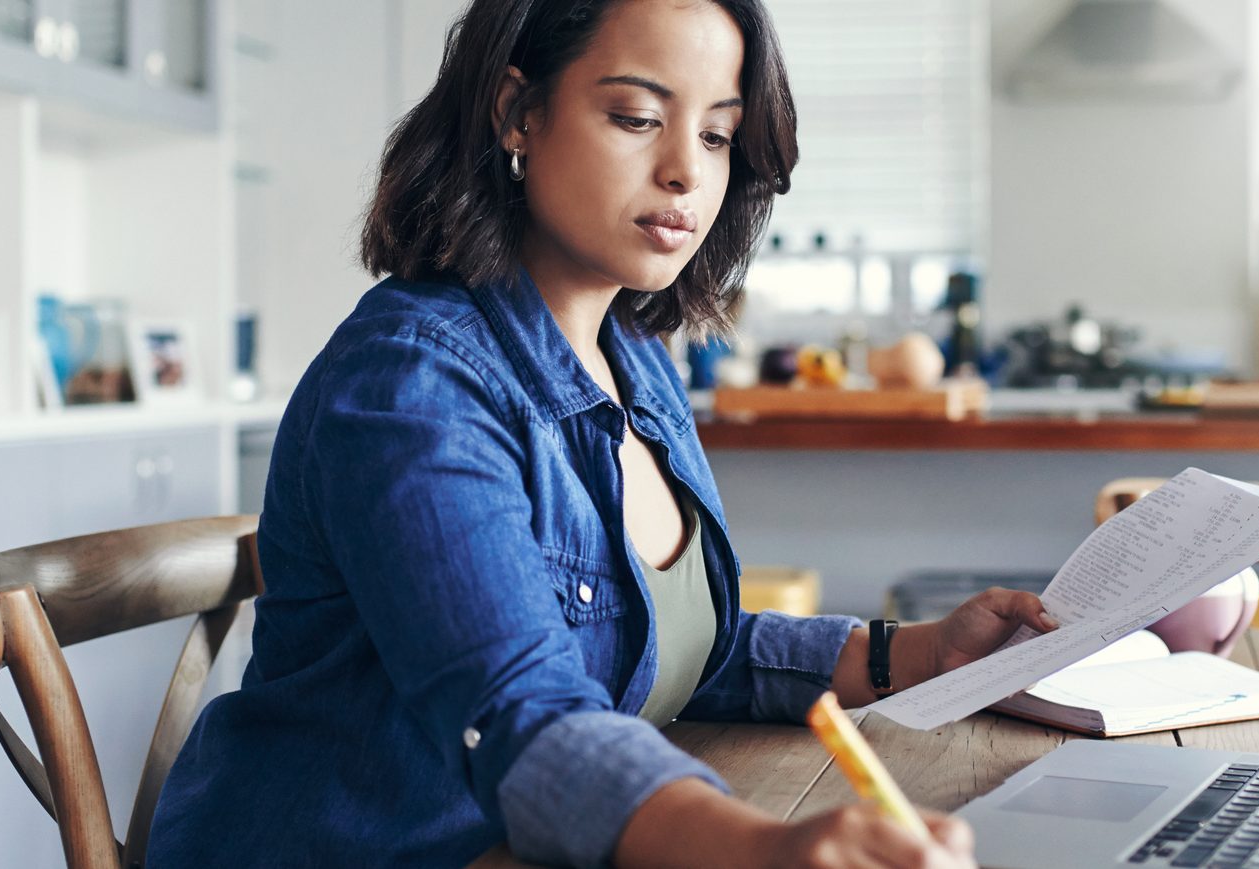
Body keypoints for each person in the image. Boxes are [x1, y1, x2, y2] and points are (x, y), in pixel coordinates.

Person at [147, 1, 1056, 865]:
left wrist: (915, 654)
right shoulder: (412, 384)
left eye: (716, 135)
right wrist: (762, 847)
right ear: (517, 112)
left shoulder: (638, 359)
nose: (686, 172)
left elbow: (670, 650)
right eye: (634, 117)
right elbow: (523, 714)